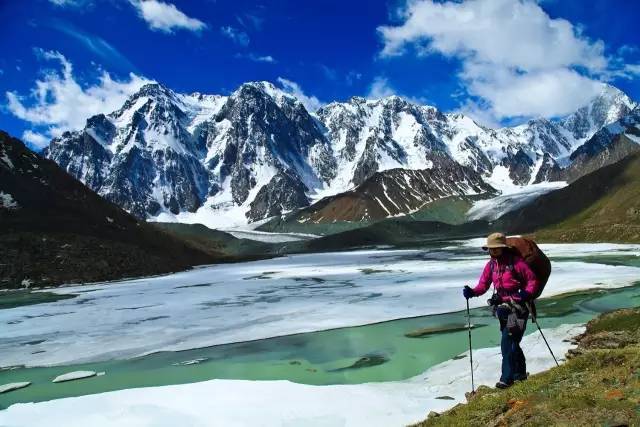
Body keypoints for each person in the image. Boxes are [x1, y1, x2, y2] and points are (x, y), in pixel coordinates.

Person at [462, 232, 540, 389]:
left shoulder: (516, 263)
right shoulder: (491, 265)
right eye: (491, 249)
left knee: (508, 342)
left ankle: (507, 378)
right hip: (504, 311)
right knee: (512, 341)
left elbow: (532, 280)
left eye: (496, 249)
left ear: (503, 248)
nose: (493, 252)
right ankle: (520, 374)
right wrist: (472, 292)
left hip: (518, 309)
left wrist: (523, 295)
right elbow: (483, 285)